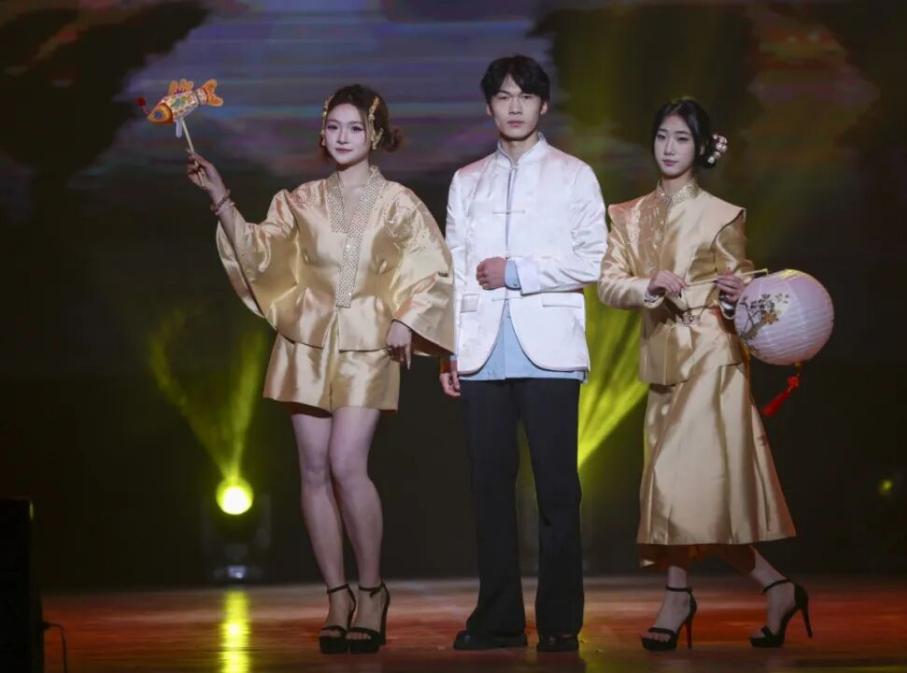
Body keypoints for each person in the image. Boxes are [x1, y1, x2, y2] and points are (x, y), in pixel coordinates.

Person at [186, 84, 454, 654]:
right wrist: (221, 197)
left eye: (355, 128)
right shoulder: (299, 200)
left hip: (368, 343)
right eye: (334, 127)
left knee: (345, 464)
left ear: (375, 135)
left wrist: (407, 319)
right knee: (312, 470)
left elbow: (432, 269)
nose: (342, 137)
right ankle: (337, 596)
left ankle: (372, 590)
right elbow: (260, 253)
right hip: (305, 340)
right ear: (322, 132)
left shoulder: (399, 203)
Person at [597, 97, 811, 651]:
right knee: (694, 499)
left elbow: (747, 295)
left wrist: (739, 293)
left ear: (700, 148)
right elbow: (608, 284)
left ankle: (676, 597)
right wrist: (648, 284)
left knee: (676, 486)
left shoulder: (723, 214)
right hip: (661, 362)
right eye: (662, 136)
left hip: (713, 359)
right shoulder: (626, 214)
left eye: (682, 139)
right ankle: (777, 588)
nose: (669, 148)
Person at [438, 55, 607, 653]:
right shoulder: (467, 180)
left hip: (550, 349)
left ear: (543, 105)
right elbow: (454, 268)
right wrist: (449, 347)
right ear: (489, 107)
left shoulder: (573, 175)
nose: (515, 107)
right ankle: (499, 619)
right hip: (481, 350)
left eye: (526, 96)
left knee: (557, 489)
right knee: (489, 489)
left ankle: (559, 620)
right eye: (504, 97)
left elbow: (592, 260)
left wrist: (516, 272)